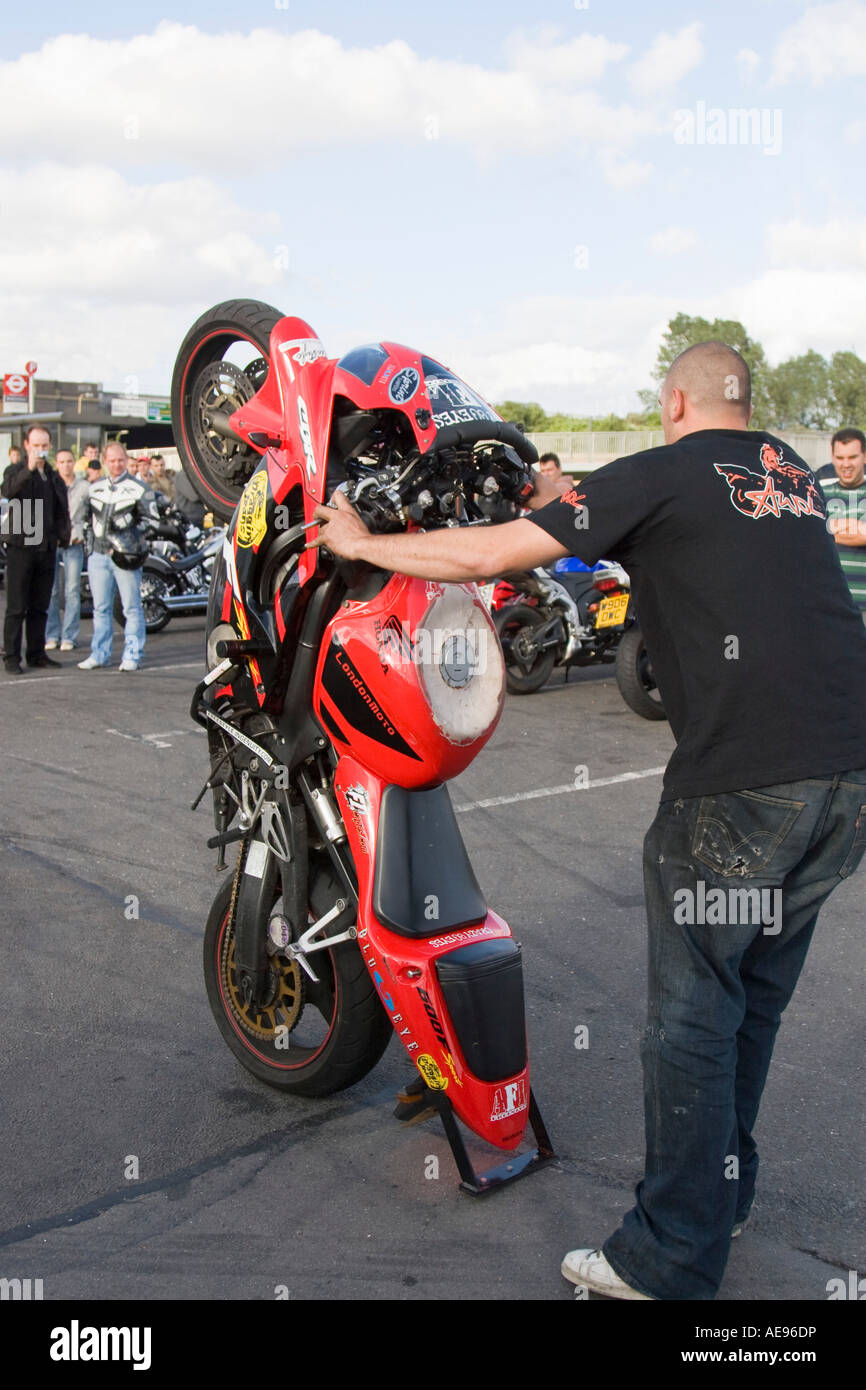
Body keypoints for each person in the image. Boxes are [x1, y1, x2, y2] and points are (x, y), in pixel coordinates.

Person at [313, 340, 866, 1301]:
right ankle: (721, 1195)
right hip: (847, 780)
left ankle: (669, 1257)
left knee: (692, 1023)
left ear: (673, 401)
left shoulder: (658, 471)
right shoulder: (785, 470)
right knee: (750, 1004)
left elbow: (493, 554)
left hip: (745, 787)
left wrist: (361, 544)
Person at [78, 441, 160, 672]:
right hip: (98, 556)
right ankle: (99, 653)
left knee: (131, 607)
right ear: (105, 461)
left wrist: (130, 533)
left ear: (126, 460)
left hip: (126, 558)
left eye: (120, 460)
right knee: (100, 608)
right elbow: (86, 520)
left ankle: (133, 653)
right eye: (112, 460)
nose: (116, 464)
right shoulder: (94, 488)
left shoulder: (140, 488)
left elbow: (153, 522)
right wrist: (89, 545)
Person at [1, 426, 70, 673]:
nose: (40, 450)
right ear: (27, 445)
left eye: (44, 445)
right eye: (36, 445)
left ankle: (36, 653)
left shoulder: (52, 475)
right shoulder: (16, 470)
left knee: (40, 605)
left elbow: (62, 509)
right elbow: (8, 491)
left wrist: (63, 535)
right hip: (22, 546)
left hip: (46, 547)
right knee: (17, 606)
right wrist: (28, 469)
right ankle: (11, 656)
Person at [45, 448, 90, 650]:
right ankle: (51, 634)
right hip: (52, 543)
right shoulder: (50, 484)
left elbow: (92, 514)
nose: (66, 465)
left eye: (69, 461)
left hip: (74, 543)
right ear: (57, 464)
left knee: (72, 591)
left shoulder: (84, 486)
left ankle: (69, 637)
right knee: (51, 591)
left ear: (75, 463)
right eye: (62, 462)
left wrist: (84, 534)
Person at [820, 428, 866, 614]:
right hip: (831, 607)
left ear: (864, 456)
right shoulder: (818, 494)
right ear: (832, 457)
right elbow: (811, 535)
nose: (846, 464)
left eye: (852, 457)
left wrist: (828, 528)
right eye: (840, 458)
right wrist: (856, 527)